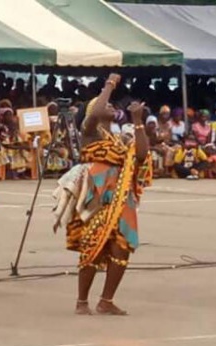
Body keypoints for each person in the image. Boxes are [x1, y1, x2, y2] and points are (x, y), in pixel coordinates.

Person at [52, 74, 151, 316]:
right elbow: (95, 112)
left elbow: (141, 154)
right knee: (93, 245)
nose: (109, 104)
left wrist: (138, 120)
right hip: (98, 197)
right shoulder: (89, 132)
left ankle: (106, 300)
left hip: (121, 196)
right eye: (103, 103)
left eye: (109, 103)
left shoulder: (118, 140)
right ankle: (82, 301)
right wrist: (109, 85)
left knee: (122, 248)